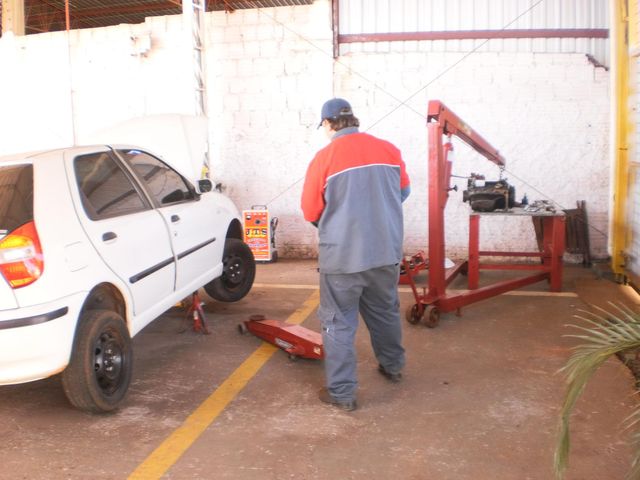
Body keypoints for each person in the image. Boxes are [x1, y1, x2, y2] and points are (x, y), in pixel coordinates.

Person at [301, 98, 411, 412]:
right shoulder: (388, 149)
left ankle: (342, 393)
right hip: (385, 250)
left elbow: (311, 210)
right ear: (354, 120)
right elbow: (403, 192)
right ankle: (393, 366)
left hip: (343, 258)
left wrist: (339, 221)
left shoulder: (324, 158)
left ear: (327, 124)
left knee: (337, 323)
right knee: (385, 311)